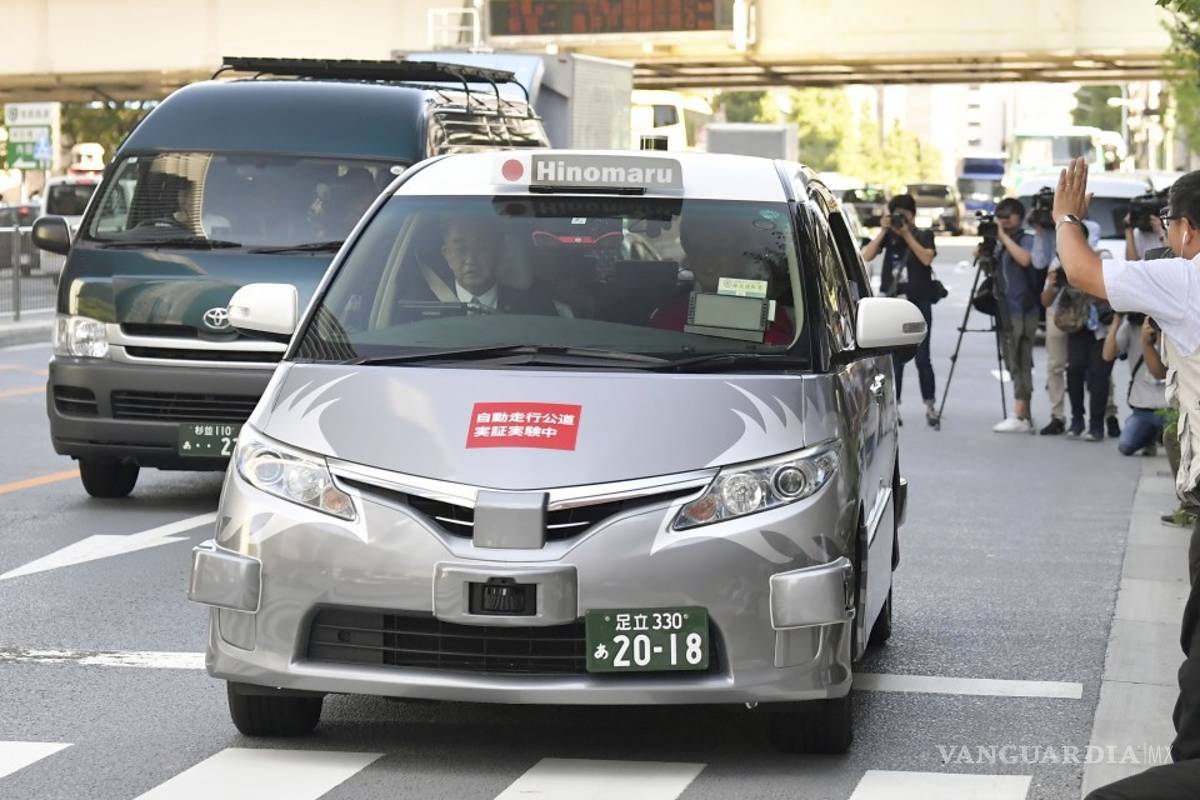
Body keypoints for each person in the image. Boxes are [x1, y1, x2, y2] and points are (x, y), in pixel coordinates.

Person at [1056, 159, 1200, 799]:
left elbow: (1083, 271)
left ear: (1188, 229)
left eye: (1170, 223)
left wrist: (1067, 217)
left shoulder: (1189, 278)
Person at [652, 210, 794, 344]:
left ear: (741, 254)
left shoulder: (772, 319)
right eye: (699, 249)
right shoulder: (670, 317)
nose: (709, 258)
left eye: (720, 248)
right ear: (690, 258)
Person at [861, 194, 938, 425]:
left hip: (919, 301)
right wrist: (884, 231)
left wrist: (906, 233)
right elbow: (866, 255)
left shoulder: (924, 234)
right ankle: (895, 407)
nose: (898, 220)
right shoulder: (888, 236)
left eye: (902, 215)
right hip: (893, 303)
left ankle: (930, 404)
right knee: (894, 360)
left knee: (922, 357)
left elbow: (926, 259)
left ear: (912, 215)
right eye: (894, 215)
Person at [987, 197, 1053, 433]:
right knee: (1012, 359)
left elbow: (1026, 260)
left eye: (1008, 215)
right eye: (1000, 215)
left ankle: (1021, 413)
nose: (1004, 219)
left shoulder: (1026, 239)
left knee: (1020, 359)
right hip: (1005, 307)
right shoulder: (1000, 242)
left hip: (1023, 308)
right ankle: (1022, 412)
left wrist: (1002, 238)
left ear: (1020, 217)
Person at [409, 217, 562, 316]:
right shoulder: (415, 309)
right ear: (446, 253)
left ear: (499, 252)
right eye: (460, 249)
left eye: (482, 248)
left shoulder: (535, 309)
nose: (470, 260)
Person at [1103, 312, 1168, 455]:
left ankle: (1157, 435)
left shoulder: (1171, 325)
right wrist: (1117, 318)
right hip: (1143, 408)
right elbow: (1107, 355)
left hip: (1171, 407)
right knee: (1126, 445)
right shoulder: (1130, 326)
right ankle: (1148, 434)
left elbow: (1161, 372)